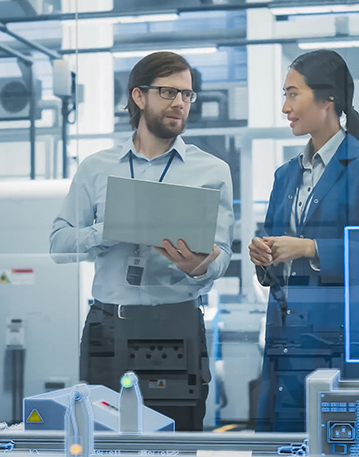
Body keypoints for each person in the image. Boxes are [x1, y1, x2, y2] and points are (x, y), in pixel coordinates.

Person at [49, 51, 233, 431]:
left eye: (187, 95)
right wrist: (110, 229)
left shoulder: (212, 171)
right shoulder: (96, 168)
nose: (180, 103)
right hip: (109, 327)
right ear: (139, 96)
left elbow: (222, 254)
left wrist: (198, 266)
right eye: (169, 92)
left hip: (177, 325)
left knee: (177, 439)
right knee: (103, 439)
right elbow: (59, 244)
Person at [249, 49, 359, 432]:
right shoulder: (285, 175)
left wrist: (310, 249)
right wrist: (263, 255)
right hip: (286, 335)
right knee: (282, 437)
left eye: (293, 94)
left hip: (340, 337)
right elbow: (273, 249)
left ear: (328, 98)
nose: (285, 107)